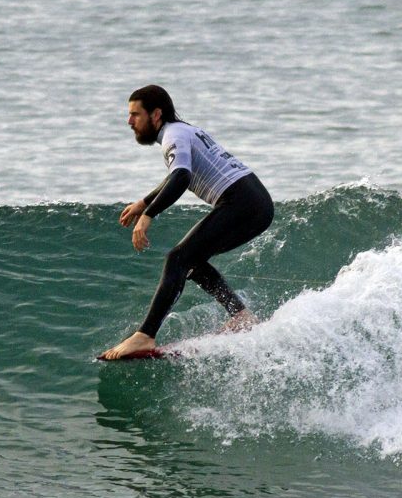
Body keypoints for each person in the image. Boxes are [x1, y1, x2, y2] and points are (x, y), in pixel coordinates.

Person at [100, 85, 274, 360]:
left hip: (242, 201)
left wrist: (148, 215)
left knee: (177, 259)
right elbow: (176, 175)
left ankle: (145, 335)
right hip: (254, 201)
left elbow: (181, 176)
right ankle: (241, 316)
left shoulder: (173, 136)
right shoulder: (181, 132)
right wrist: (144, 202)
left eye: (135, 114)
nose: (129, 121)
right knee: (190, 261)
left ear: (156, 114)